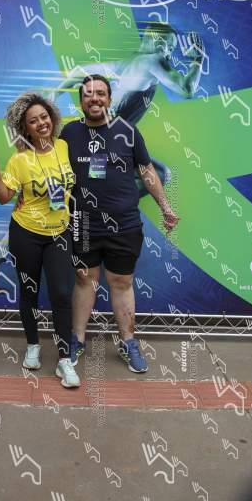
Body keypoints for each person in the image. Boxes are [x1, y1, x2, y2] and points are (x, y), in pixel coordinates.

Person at [60, 74, 180, 373]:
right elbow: (54, 172)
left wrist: (165, 207)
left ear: (109, 99)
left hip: (124, 224)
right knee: (84, 279)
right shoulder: (69, 132)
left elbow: (147, 170)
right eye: (88, 94)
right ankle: (77, 340)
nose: (95, 98)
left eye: (100, 93)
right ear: (81, 101)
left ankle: (128, 342)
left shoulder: (127, 130)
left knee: (122, 282)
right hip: (83, 223)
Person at [0, 92, 80, 388]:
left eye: (44, 117)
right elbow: (4, 197)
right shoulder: (19, 159)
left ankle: (64, 360)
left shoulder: (64, 147)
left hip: (59, 232)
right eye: (33, 121)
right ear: (25, 128)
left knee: (62, 293)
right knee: (29, 290)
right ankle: (33, 345)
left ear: (52, 118)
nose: (41, 123)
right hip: (26, 233)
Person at [54, 22, 205, 194]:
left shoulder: (124, 64)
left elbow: (80, 72)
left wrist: (55, 93)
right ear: (152, 38)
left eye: (171, 49)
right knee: (160, 175)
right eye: (167, 44)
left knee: (98, 189)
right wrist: (197, 60)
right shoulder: (152, 61)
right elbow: (186, 89)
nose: (168, 52)